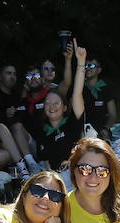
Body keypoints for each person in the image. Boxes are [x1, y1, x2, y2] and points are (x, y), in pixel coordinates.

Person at [30, 43, 88, 176]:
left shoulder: (73, 121)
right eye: (48, 103)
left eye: (56, 103)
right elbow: (44, 161)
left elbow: (77, 92)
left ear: (65, 107)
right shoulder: (42, 130)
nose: (51, 106)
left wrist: (81, 62)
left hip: (76, 172)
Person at [82, 55, 117, 136]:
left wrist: (106, 128)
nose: (88, 68)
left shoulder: (106, 89)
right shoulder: (79, 88)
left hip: (101, 132)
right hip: (82, 132)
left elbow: (112, 115)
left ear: (99, 70)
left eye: (92, 66)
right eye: (86, 65)